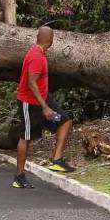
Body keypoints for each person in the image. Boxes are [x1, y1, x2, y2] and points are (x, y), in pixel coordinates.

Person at [12, 26, 77, 189]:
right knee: (25, 136)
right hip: (30, 104)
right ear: (51, 40)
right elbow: (31, 83)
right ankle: (19, 177)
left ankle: (56, 160)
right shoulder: (36, 56)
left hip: (43, 100)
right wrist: (45, 108)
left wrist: (46, 104)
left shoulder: (39, 52)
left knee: (64, 121)